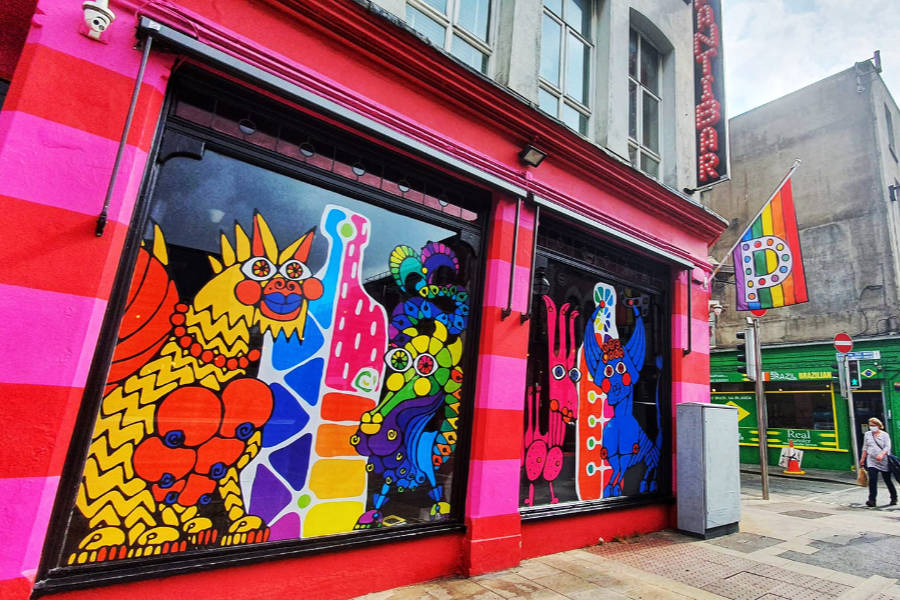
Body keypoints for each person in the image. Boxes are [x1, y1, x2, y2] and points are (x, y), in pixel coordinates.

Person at [860, 417, 897, 507]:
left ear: (878, 426)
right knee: (872, 480)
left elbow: (887, 447)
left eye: (873, 425)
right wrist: (862, 458)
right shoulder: (867, 434)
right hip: (872, 460)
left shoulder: (885, 435)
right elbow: (865, 447)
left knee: (887, 480)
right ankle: (872, 500)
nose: (871, 427)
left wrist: (882, 454)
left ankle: (894, 497)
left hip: (883, 461)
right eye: (870, 425)